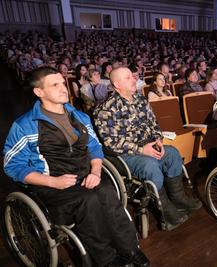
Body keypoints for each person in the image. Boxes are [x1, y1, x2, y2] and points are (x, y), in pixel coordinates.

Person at [3, 67, 150, 267]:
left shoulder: (79, 117)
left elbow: (95, 148)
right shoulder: (25, 126)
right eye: (55, 85)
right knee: (87, 201)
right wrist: (53, 181)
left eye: (63, 83)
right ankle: (106, 259)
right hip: (52, 184)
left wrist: (96, 172)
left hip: (85, 174)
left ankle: (130, 249)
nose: (63, 88)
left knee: (108, 192)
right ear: (39, 92)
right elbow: (12, 165)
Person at [93, 67, 202, 231]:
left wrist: (158, 139)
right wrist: (141, 150)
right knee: (150, 166)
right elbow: (112, 142)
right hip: (125, 154)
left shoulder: (140, 99)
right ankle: (165, 213)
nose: (134, 79)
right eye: (128, 77)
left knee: (172, 153)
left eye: (133, 76)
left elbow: (154, 124)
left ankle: (178, 198)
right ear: (116, 84)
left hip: (149, 144)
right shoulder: (106, 108)